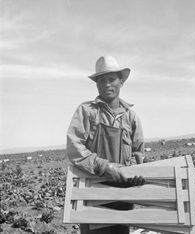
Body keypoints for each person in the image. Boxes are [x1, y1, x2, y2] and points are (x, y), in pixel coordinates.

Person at [67, 56, 145, 234]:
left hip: (123, 194)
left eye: (111, 79)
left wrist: (134, 174)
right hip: (94, 191)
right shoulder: (87, 111)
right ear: (97, 85)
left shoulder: (131, 117)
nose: (107, 84)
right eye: (102, 80)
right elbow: (74, 146)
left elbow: (138, 153)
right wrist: (103, 166)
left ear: (121, 82)